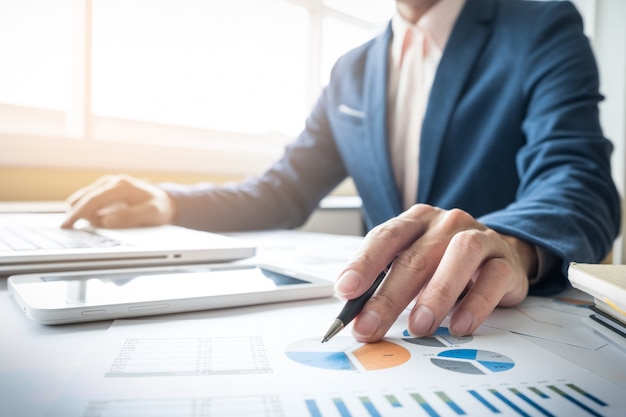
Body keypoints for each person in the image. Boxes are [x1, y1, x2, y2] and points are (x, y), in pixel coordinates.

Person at [62, 0, 621, 343]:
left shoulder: (542, 22)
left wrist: (508, 242)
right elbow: (282, 191)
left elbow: (578, 180)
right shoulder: (351, 70)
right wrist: (167, 203)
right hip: (388, 328)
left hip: (501, 328)